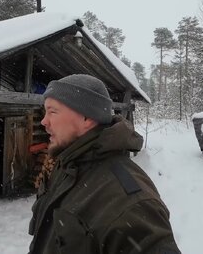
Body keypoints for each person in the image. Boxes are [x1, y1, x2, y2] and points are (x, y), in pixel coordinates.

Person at [28, 74, 181, 254]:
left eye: (53, 111)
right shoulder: (64, 166)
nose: (44, 121)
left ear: (87, 118)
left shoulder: (130, 200)